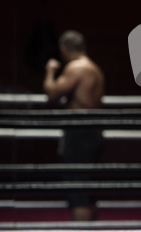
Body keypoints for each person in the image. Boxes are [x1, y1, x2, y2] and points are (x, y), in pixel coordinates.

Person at [44, 30, 105, 221]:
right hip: (93, 129)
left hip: (79, 132)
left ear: (63, 49)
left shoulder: (76, 68)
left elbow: (52, 94)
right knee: (88, 188)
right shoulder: (95, 68)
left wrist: (50, 71)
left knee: (77, 189)